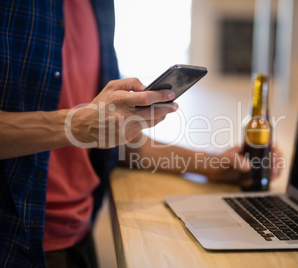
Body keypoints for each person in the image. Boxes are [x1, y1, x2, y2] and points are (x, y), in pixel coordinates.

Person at [0, 1, 281, 267]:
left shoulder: (98, 6)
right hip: (12, 240)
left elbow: (112, 139)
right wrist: (74, 126)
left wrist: (213, 165)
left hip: (77, 235)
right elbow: (85, 127)